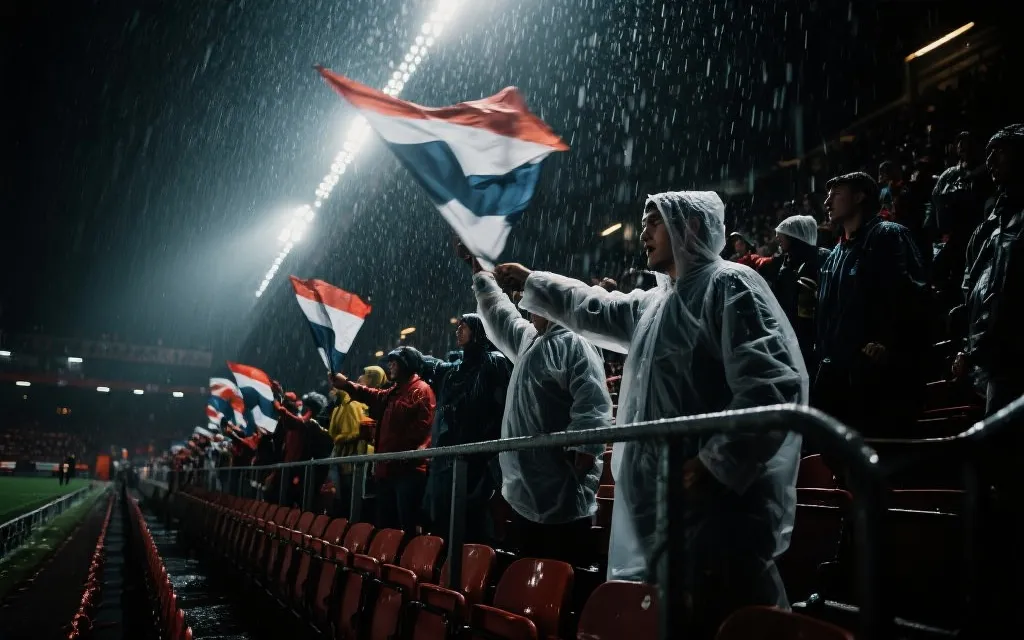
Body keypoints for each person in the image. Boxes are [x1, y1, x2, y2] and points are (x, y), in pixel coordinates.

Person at [494, 191, 806, 638]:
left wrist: (716, 463)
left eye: (653, 221)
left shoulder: (729, 284)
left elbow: (772, 384)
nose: (643, 232)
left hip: (718, 505)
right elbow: (592, 307)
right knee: (673, 620)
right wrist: (533, 282)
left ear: (689, 227)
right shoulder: (654, 305)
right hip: (662, 504)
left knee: (731, 618)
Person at [462, 249, 611, 567]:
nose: (525, 306)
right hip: (528, 492)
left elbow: (593, 406)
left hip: (562, 492)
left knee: (563, 572)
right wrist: (480, 273)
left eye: (534, 300)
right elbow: (499, 313)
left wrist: (582, 458)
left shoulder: (575, 343)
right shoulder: (532, 340)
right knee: (531, 573)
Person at [815, 172, 929, 436]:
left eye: (836, 194)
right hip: (840, 378)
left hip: (879, 380)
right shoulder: (835, 254)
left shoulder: (888, 235)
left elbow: (913, 297)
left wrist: (888, 343)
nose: (827, 202)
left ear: (859, 196)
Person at [419, 313, 512, 544]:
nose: (458, 330)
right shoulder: (457, 368)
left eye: (464, 326)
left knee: (474, 514)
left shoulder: (494, 361)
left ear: (477, 331)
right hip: (454, 451)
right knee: (448, 512)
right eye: (458, 326)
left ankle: (474, 558)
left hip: (481, 452)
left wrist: (490, 442)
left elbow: (500, 405)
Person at [953, 124, 1024, 415]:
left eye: (1000, 151)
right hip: (997, 360)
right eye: (989, 153)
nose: (991, 161)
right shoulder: (989, 226)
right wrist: (969, 348)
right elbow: (976, 291)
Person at [331, 347, 434, 535]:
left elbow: (423, 431)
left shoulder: (420, 390)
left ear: (407, 364)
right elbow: (373, 396)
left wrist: (413, 455)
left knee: (406, 528)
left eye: (395, 362)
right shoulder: (395, 391)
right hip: (388, 470)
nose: (390, 366)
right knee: (387, 528)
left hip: (407, 472)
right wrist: (346, 385)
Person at [771, 215, 831, 372]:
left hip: (814, 332)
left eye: (781, 235)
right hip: (791, 329)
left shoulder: (822, 258)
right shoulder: (787, 260)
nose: (777, 238)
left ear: (794, 236)